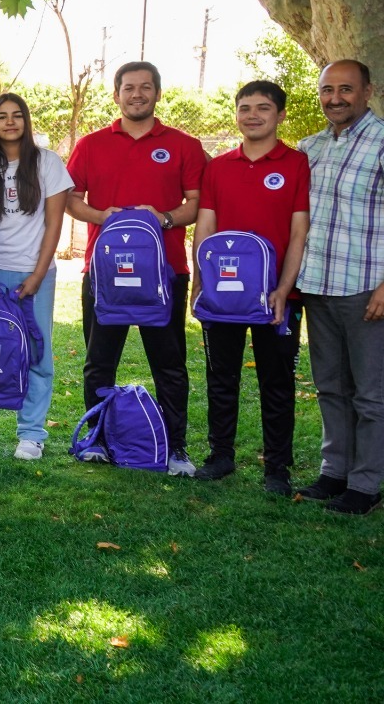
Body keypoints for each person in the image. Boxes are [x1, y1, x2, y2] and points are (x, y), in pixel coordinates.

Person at [66, 61, 206, 476]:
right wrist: (101, 215)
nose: (137, 94)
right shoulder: (91, 145)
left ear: (158, 94)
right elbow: (72, 199)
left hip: (165, 276)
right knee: (98, 362)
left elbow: (196, 202)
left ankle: (176, 447)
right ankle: (97, 441)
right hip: (105, 276)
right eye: (129, 88)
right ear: (116, 95)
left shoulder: (184, 145)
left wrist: (163, 218)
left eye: (146, 88)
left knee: (169, 363)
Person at [192, 80, 309, 495]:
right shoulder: (219, 167)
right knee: (220, 376)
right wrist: (200, 282)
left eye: (263, 107)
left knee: (276, 382)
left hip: (277, 298)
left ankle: (277, 467)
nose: (253, 115)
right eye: (245, 108)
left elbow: (299, 233)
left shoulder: (296, 164)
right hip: (222, 296)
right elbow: (205, 227)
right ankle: (220, 455)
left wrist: (284, 288)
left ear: (279, 115)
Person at [0, 93, 71, 460]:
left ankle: (31, 433)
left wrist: (39, 273)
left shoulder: (47, 163)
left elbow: (55, 223)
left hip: (32, 272)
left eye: (17, 115)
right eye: (2, 116)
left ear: (26, 121)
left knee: (36, 354)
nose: (10, 122)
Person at [295, 60, 384, 515]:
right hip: (318, 286)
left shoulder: (383, 144)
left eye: (345, 89)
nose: (335, 98)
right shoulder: (309, 149)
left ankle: (366, 484)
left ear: (367, 91)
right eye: (327, 89)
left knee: (371, 394)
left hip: (367, 289)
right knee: (330, 387)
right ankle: (335, 472)